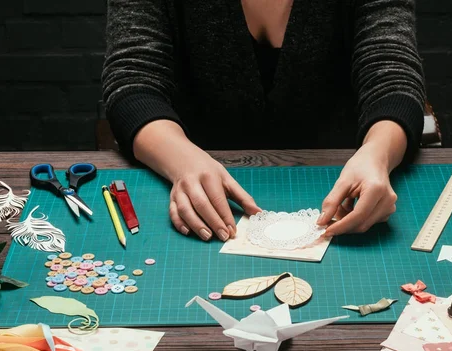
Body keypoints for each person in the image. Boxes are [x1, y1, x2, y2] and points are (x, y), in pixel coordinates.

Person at [102, 0, 426, 242]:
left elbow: (392, 75)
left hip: (342, 184)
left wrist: (377, 155)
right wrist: (182, 160)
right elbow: (133, 83)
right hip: (198, 185)